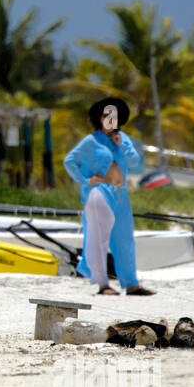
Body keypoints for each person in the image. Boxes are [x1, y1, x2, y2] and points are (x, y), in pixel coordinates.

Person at [62, 97, 156, 296]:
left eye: (113, 116)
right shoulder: (91, 141)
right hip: (98, 192)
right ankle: (103, 284)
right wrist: (84, 180)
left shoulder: (123, 138)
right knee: (98, 238)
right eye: (106, 116)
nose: (110, 119)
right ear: (100, 118)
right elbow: (69, 160)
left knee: (125, 239)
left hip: (120, 195)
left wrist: (122, 144)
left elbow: (134, 161)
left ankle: (131, 284)